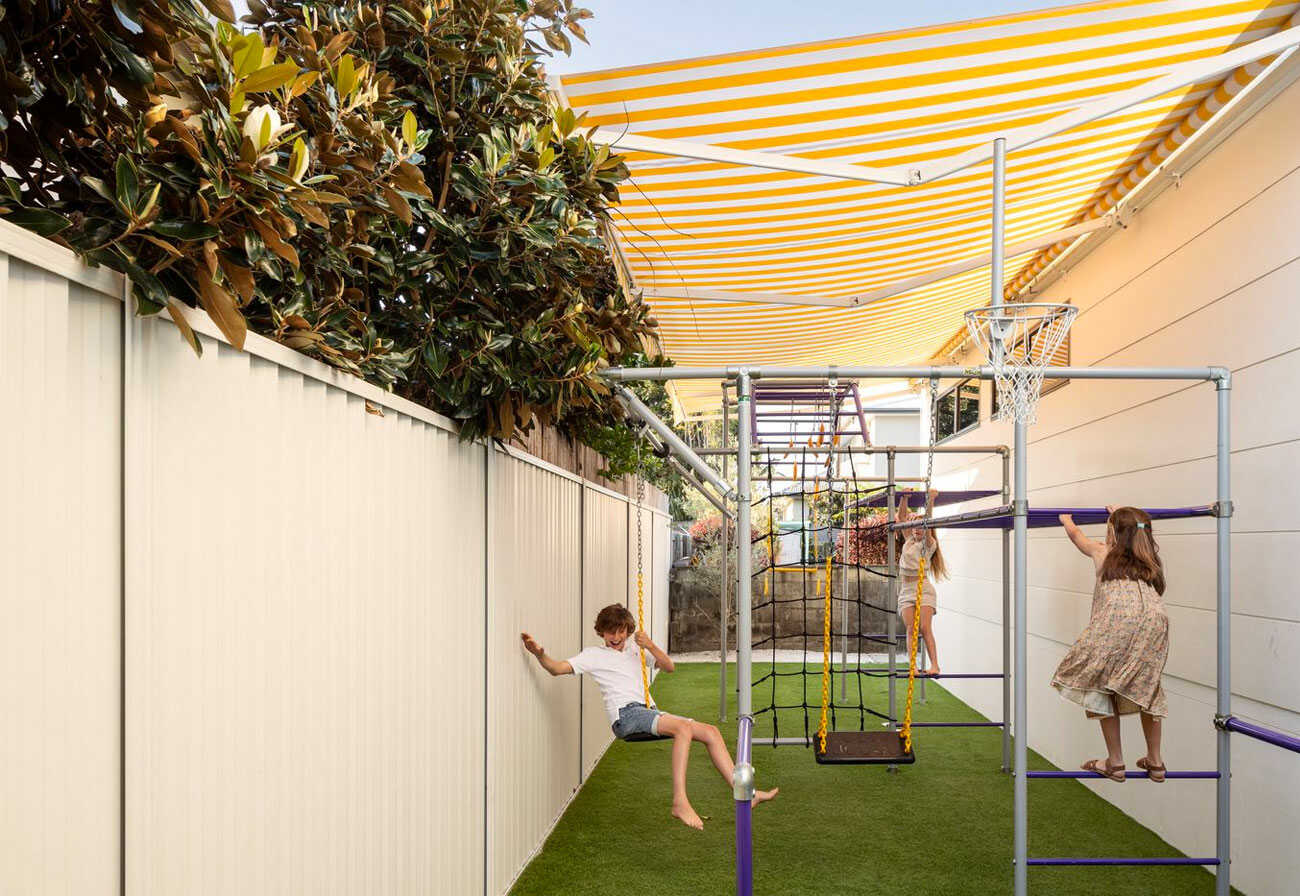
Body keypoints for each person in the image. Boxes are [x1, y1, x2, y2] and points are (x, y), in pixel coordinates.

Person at [521, 604, 778, 829]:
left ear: (628, 631)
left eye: (622, 631)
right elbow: (556, 669)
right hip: (626, 716)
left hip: (648, 710)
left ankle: (748, 794)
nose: (617, 637)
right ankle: (679, 801)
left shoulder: (636, 650)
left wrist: (651, 646)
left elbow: (669, 667)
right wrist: (539, 653)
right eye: (611, 631)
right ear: (601, 632)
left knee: (710, 731)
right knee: (683, 729)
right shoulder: (592, 655)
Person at [1053, 506, 1169, 782]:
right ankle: (1156, 761)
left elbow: (1077, 536)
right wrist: (1121, 515)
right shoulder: (1150, 560)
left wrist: (1066, 520)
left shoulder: (1103, 552)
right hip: (1155, 625)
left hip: (1117, 623)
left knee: (1098, 682)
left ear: (1113, 532)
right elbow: (1135, 527)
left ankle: (1115, 762)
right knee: (1148, 687)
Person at [896, 489, 948, 676]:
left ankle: (935, 665)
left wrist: (930, 499)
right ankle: (912, 666)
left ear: (926, 528)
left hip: (923, 589)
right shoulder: (909, 540)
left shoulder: (929, 543)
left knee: (925, 628)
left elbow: (928, 519)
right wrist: (904, 498)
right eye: (915, 525)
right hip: (906, 590)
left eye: (921, 526)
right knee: (911, 629)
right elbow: (901, 517)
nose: (917, 528)